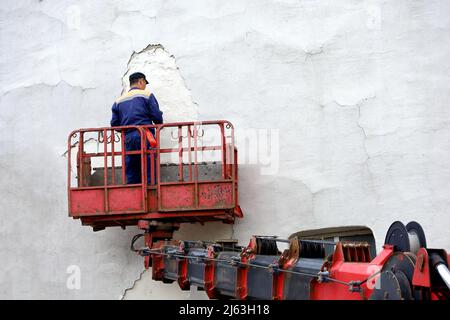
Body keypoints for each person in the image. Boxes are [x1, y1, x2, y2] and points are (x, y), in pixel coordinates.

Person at [110, 72, 163, 184]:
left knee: (131, 167)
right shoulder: (147, 95)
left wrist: (126, 129)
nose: (145, 86)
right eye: (144, 83)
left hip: (128, 137)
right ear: (141, 81)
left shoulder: (119, 100)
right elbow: (157, 116)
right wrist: (159, 124)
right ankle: (150, 190)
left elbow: (115, 124)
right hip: (145, 134)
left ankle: (132, 191)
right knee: (149, 166)